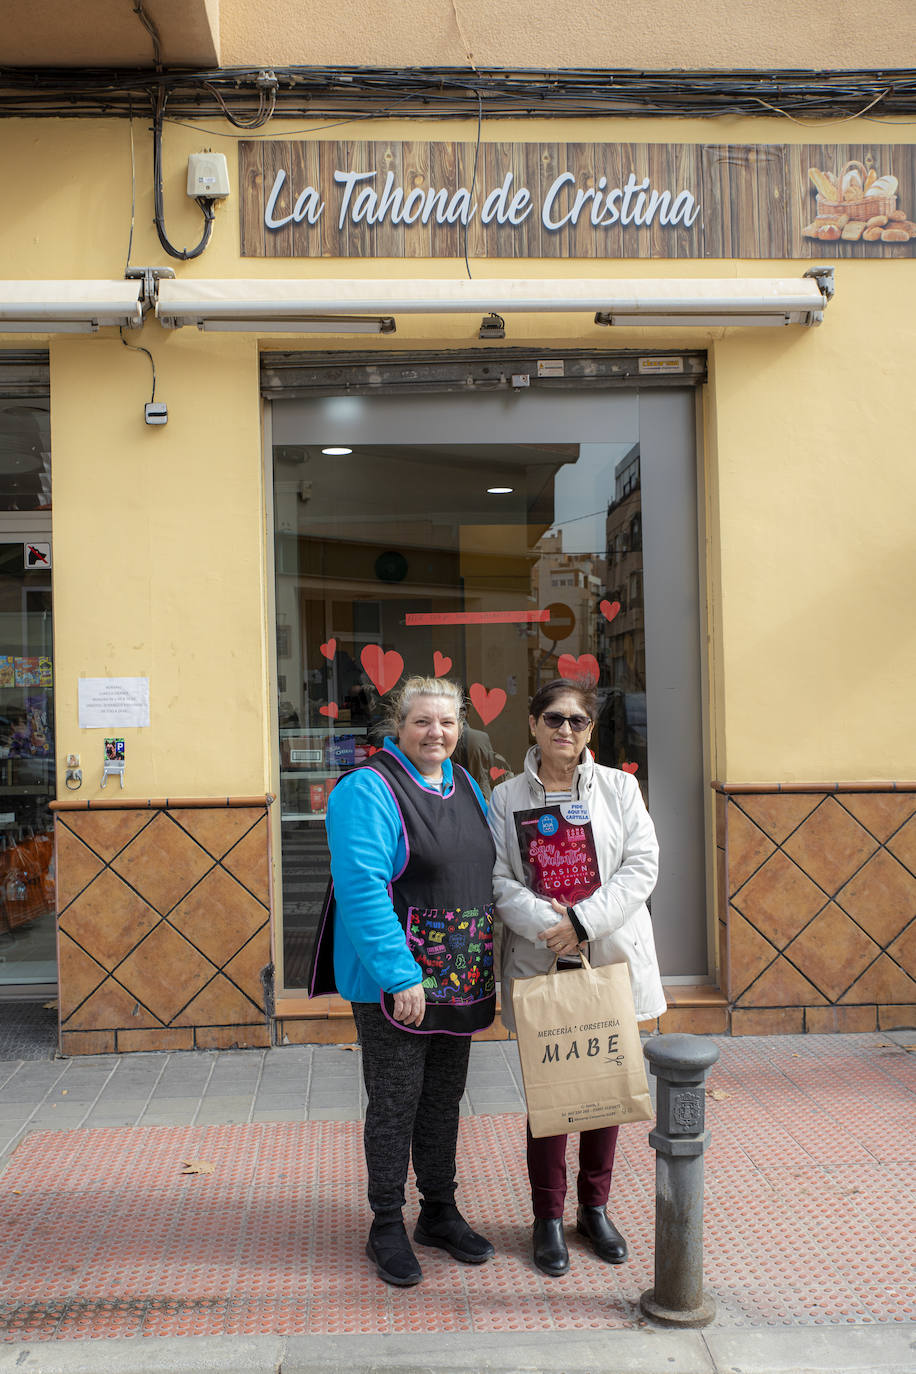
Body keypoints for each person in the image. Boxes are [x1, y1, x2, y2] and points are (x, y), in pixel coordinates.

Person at [488, 677, 666, 1277]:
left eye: (578, 721)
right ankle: (546, 1216)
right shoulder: (506, 797)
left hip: (609, 958)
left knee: (605, 1090)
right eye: (554, 718)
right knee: (552, 1093)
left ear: (590, 730)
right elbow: (497, 880)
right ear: (533, 724)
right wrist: (554, 926)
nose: (566, 729)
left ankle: (595, 1207)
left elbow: (642, 866)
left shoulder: (620, 788)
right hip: (542, 961)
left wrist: (584, 922)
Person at [325, 675, 497, 1288]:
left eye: (447, 722)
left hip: (461, 977)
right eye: (423, 721)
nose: (437, 733)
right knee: (396, 1102)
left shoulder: (467, 784)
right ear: (398, 723)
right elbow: (362, 889)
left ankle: (439, 1211)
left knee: (443, 1100)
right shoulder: (367, 789)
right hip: (397, 984)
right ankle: (386, 1223)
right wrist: (401, 976)